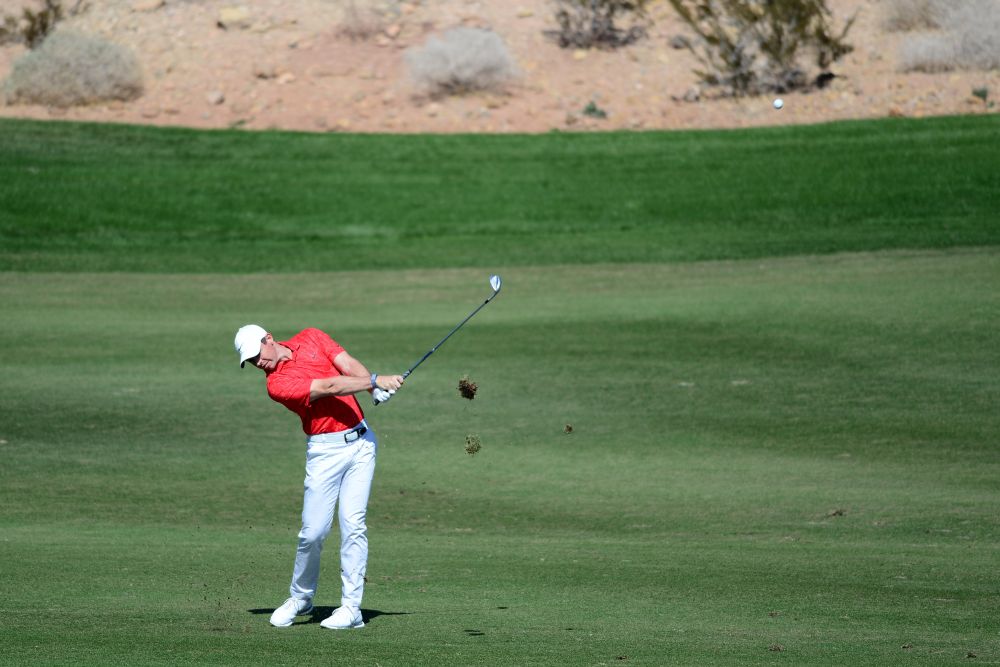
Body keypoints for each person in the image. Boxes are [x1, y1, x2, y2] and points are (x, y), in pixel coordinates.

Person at [234, 324, 404, 630]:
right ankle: (301, 597)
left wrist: (371, 388)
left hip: (362, 444)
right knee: (313, 532)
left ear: (269, 339)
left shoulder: (312, 336)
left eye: (258, 355)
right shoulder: (277, 385)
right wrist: (377, 379)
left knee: (353, 524)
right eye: (251, 362)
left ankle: (351, 608)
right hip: (324, 452)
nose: (258, 363)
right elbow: (329, 387)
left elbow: (347, 364)